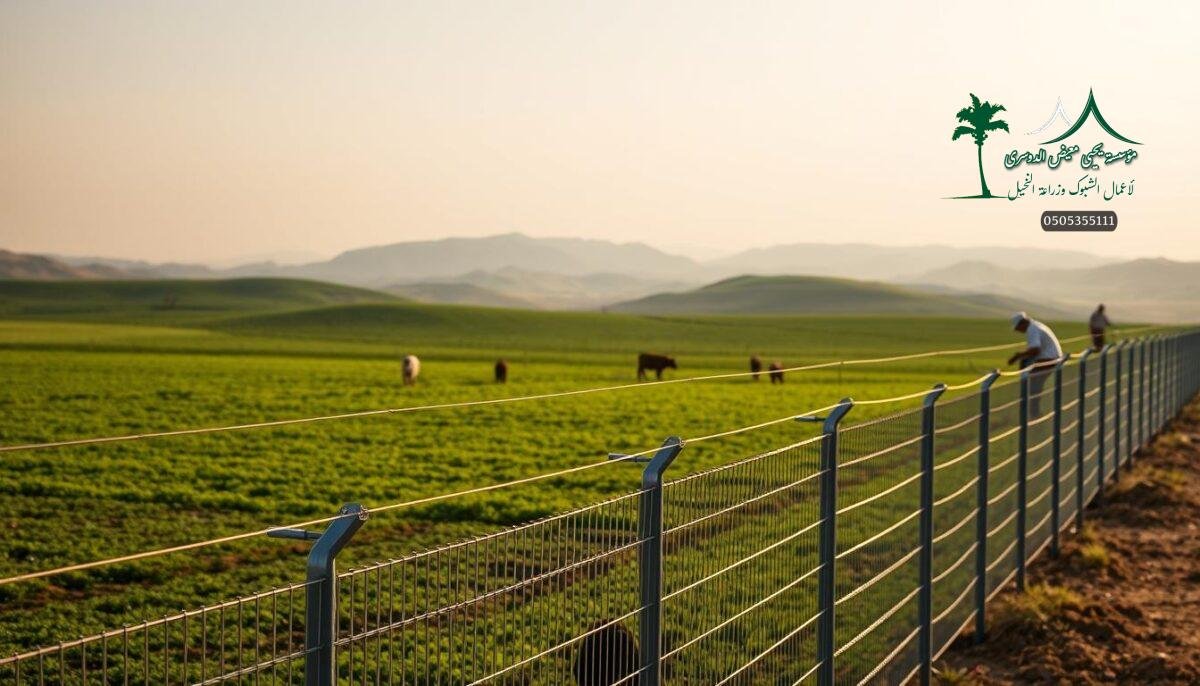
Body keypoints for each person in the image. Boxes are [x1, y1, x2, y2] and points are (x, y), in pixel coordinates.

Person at [1006, 312, 1064, 416]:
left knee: (1033, 386)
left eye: (1018, 328)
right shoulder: (1036, 325)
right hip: (1053, 358)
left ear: (1022, 323)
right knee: (1034, 385)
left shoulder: (1032, 329)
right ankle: (1033, 411)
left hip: (1048, 359)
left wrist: (1018, 356)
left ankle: (1032, 413)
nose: (1019, 331)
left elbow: (1035, 349)